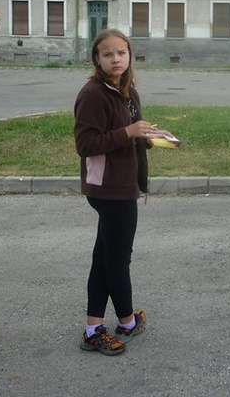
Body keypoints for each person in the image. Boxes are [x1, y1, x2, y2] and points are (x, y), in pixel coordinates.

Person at [74, 28, 172, 355]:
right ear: (97, 59)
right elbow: (86, 144)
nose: (116, 59)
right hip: (108, 188)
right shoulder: (93, 95)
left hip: (125, 183)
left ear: (129, 55)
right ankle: (125, 322)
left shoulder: (127, 91)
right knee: (116, 261)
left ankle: (95, 327)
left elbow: (129, 133)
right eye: (108, 54)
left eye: (121, 53)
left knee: (104, 258)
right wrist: (128, 132)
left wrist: (150, 136)